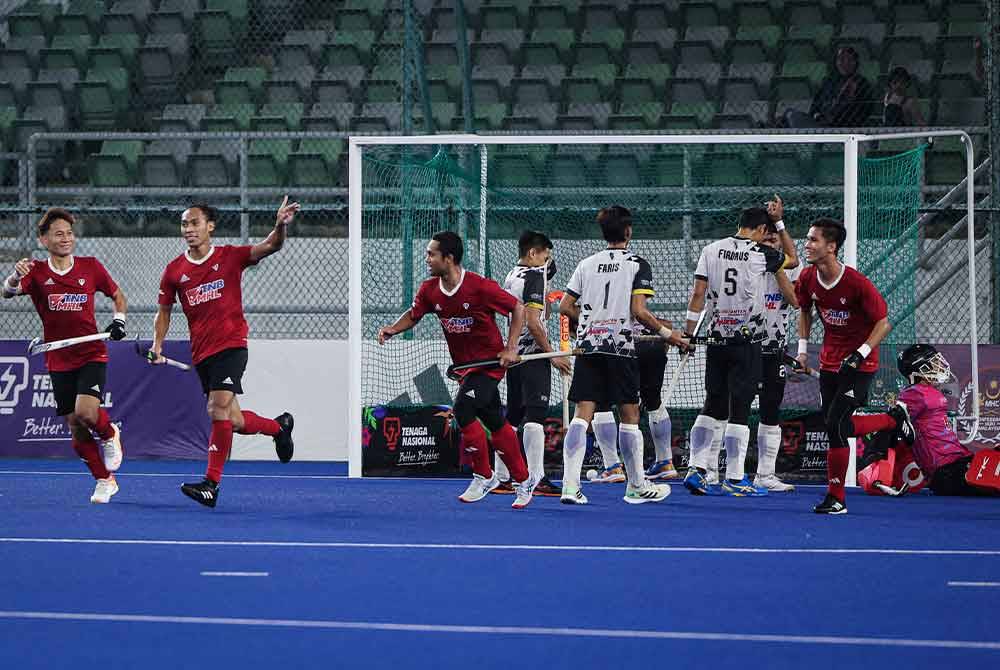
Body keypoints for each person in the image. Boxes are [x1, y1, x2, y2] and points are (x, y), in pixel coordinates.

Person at [152, 199, 297, 508]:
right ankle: (279, 427)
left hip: (231, 346)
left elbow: (271, 245)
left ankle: (211, 485)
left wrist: (280, 226)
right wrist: (157, 344)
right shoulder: (174, 271)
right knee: (232, 419)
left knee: (217, 411)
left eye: (194, 223)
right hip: (202, 353)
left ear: (210, 226)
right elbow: (164, 311)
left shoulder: (230, 256)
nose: (188, 229)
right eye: (184, 224)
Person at [378, 231, 537, 508]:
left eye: (431, 254)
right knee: (495, 421)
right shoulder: (429, 290)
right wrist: (393, 329)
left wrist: (511, 348)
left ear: (448, 258)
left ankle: (483, 475)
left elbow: (518, 308)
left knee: (463, 410)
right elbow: (414, 314)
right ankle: (523, 481)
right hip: (465, 368)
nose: (427, 259)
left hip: (489, 364)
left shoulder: (479, 286)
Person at [558, 205, 687, 505]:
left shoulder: (586, 264)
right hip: (620, 347)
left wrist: (589, 323)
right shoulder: (637, 264)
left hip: (589, 347)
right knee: (630, 416)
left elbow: (565, 307)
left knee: (581, 417)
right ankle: (636, 486)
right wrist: (670, 335)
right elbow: (639, 311)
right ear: (628, 232)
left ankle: (569, 486)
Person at [2, 208, 128, 503]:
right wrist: (12, 276)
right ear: (43, 240)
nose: (66, 238)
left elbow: (118, 296)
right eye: (58, 234)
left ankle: (109, 434)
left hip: (91, 353)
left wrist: (119, 320)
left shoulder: (90, 266)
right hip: (58, 358)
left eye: (69, 233)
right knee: (75, 424)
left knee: (86, 412)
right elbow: (7, 292)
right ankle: (104, 480)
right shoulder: (35, 272)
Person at [683, 198, 798, 497]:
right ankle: (735, 477)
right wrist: (781, 224)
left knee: (713, 403)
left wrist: (687, 332)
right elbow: (794, 259)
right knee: (740, 409)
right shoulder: (762, 253)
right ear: (761, 229)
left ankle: (697, 469)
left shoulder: (710, 249)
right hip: (747, 341)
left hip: (715, 339)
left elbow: (698, 294)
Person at [795, 218, 891, 514]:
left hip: (860, 366)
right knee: (835, 424)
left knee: (835, 424)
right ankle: (891, 420)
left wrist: (860, 353)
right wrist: (802, 351)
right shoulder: (808, 278)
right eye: (807, 239)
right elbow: (805, 311)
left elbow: (883, 323)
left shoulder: (857, 284)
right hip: (829, 363)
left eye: (813, 240)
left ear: (831, 247)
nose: (807, 245)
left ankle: (836, 498)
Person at [848, 344, 999, 497]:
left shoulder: (927, 392)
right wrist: (875, 461)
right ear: (921, 369)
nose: (940, 365)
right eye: (934, 362)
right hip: (947, 471)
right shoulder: (915, 393)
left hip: (959, 464)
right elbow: (892, 422)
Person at [491, 230, 571, 497]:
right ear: (533, 253)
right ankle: (536, 478)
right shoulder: (534, 276)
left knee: (513, 415)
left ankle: (502, 477)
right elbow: (535, 322)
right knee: (535, 413)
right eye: (545, 257)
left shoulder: (512, 275)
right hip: (534, 354)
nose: (547, 263)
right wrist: (552, 354)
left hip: (514, 352)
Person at [588, 318, 682, 484]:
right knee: (654, 402)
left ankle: (613, 467)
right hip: (653, 344)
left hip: (619, 345)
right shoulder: (636, 293)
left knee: (602, 402)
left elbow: (571, 311)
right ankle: (666, 463)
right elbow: (663, 323)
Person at [753, 218, 802, 491]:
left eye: (775, 241)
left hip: (774, 350)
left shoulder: (790, 269)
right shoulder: (746, 264)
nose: (770, 245)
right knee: (727, 407)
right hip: (744, 348)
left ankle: (766, 475)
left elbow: (796, 301)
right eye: (766, 241)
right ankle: (710, 471)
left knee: (771, 410)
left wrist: (777, 267)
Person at [783, 47, 875, 128]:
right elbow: (815, 106)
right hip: (820, 124)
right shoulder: (828, 82)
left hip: (843, 126)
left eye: (849, 60)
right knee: (790, 114)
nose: (845, 63)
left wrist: (834, 117)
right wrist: (818, 116)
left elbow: (862, 111)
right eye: (841, 59)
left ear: (855, 62)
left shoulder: (861, 83)